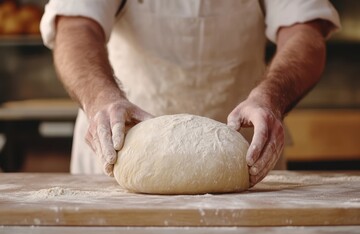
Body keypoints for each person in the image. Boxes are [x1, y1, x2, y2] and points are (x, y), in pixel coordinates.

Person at [40, 0, 340, 187]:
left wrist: (271, 98)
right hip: (120, 141)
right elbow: (75, 25)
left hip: (246, 150)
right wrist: (100, 99)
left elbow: (305, 33)